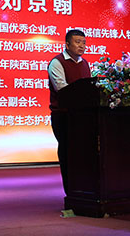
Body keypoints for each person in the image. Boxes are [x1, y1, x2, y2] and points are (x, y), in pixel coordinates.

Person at [47, 29, 91, 194]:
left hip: (82, 117)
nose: (82, 46)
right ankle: (71, 192)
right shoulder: (57, 63)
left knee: (82, 154)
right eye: (77, 42)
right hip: (64, 116)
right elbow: (62, 89)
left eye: (84, 43)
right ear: (67, 44)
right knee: (68, 153)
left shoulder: (84, 63)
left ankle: (83, 190)